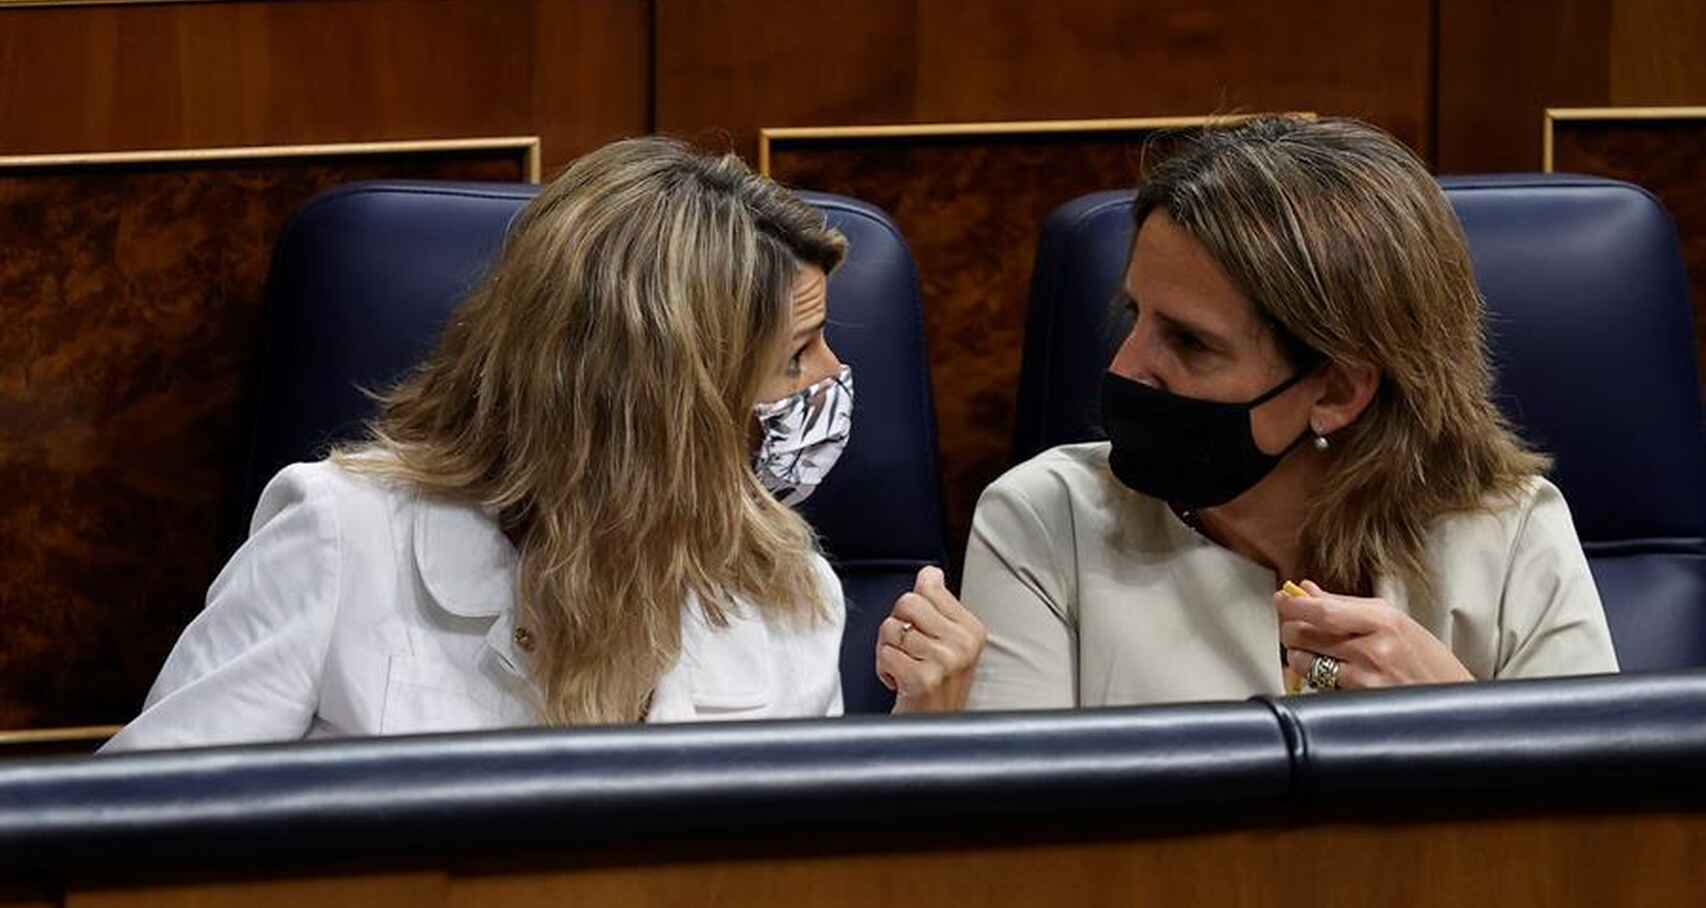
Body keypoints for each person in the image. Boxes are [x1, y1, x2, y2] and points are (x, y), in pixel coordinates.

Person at [104, 137, 984, 751]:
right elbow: (133, 844)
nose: (831, 381)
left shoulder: (790, 590)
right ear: (661, 406)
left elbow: (791, 901)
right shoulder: (341, 539)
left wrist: (924, 735)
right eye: (795, 356)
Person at [962, 116, 1617, 710]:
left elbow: (1607, 834)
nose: (1125, 370)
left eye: (1190, 342)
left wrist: (1461, 726)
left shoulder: (1511, 536)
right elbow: (1018, 834)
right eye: (1135, 316)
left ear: (1335, 391)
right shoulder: (1046, 523)